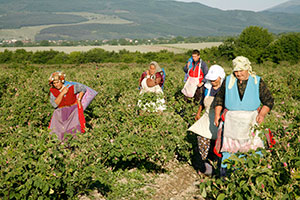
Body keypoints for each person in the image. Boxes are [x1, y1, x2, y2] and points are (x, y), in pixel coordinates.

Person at [214, 56, 274, 176]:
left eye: (241, 70)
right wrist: (217, 115)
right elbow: (219, 99)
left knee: (252, 148)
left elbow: (268, 101)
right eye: (236, 71)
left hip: (251, 120)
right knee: (230, 149)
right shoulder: (228, 81)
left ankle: (251, 175)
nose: (238, 73)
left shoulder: (257, 81)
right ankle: (227, 178)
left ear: (247, 69)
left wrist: (262, 114)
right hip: (231, 122)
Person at [188, 65, 226, 175]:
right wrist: (198, 113)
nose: (213, 81)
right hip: (207, 116)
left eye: (215, 79)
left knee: (219, 143)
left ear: (220, 77)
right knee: (202, 139)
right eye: (211, 79)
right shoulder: (207, 88)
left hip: (220, 118)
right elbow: (201, 102)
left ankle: (218, 165)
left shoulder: (225, 89)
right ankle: (203, 165)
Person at [48, 71, 87, 141]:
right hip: (59, 114)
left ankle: (74, 145)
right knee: (58, 131)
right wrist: (62, 93)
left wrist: (79, 99)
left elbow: (83, 88)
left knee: (73, 129)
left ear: (62, 81)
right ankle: (61, 146)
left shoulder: (71, 87)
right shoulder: (53, 91)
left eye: (57, 82)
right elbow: (54, 104)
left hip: (72, 111)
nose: (56, 85)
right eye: (54, 83)